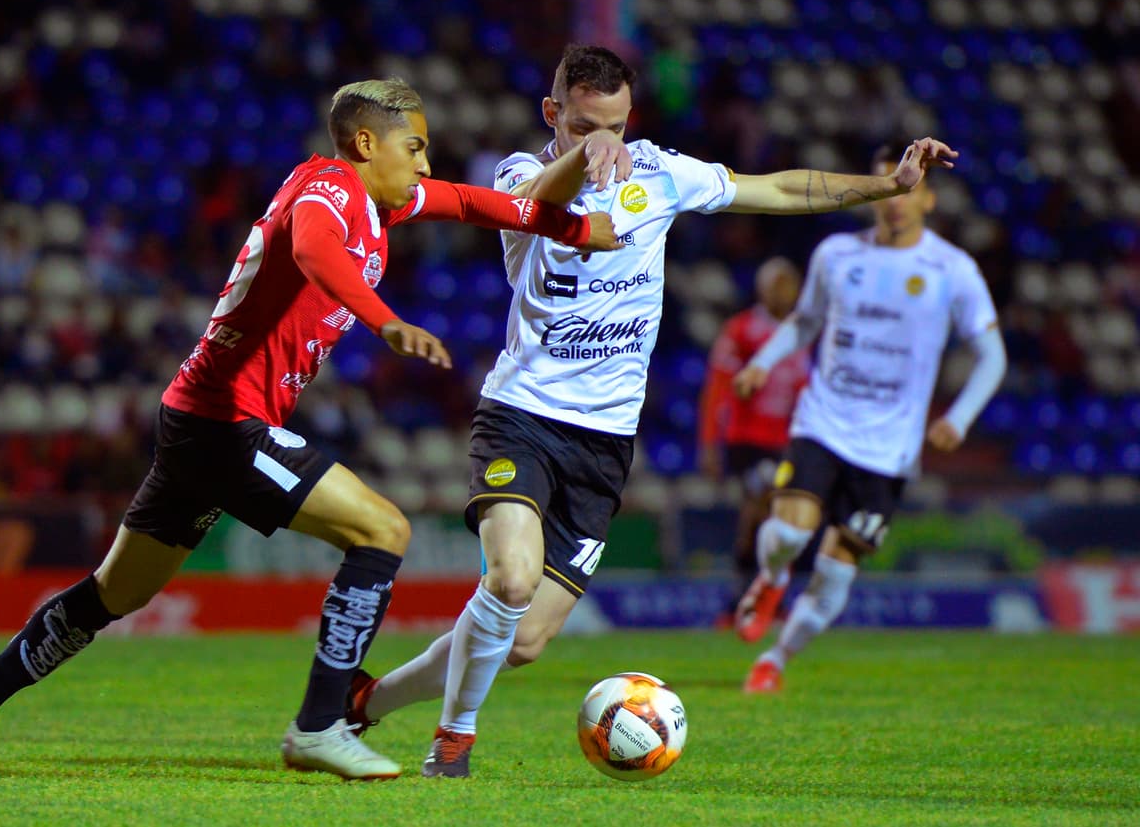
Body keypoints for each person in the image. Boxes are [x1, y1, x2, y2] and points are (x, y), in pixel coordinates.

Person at [0, 77, 622, 780]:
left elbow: (475, 202)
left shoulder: (379, 199)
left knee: (116, 593)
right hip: (228, 421)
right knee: (383, 531)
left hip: (196, 415)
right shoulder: (328, 192)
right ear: (366, 143)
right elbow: (317, 253)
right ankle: (320, 724)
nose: (426, 165)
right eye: (415, 147)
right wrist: (386, 321)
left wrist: (574, 228)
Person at [345, 44, 960, 778]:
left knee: (525, 639)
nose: (601, 137)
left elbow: (779, 190)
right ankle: (454, 742)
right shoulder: (515, 172)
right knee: (509, 579)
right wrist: (585, 154)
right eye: (581, 124)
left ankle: (369, 701)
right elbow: (538, 200)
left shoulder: (663, 174)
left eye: (613, 124)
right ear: (553, 115)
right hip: (523, 415)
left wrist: (884, 184)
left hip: (605, 442)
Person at [731, 139, 1007, 693]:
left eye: (912, 190)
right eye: (890, 186)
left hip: (889, 449)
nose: (898, 200)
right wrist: (763, 363)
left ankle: (775, 660)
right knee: (786, 530)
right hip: (824, 421)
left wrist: (960, 417)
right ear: (878, 193)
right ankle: (772, 576)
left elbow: (993, 355)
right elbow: (805, 323)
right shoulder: (837, 254)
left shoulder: (952, 270)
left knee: (835, 573)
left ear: (928, 201)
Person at [696, 257, 810, 627]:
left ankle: (760, 599)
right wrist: (710, 443)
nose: (784, 292)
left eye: (789, 283)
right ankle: (747, 598)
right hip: (748, 440)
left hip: (788, 441)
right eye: (776, 284)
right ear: (762, 289)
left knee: (780, 518)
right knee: (762, 506)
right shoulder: (742, 329)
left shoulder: (805, 332)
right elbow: (717, 388)